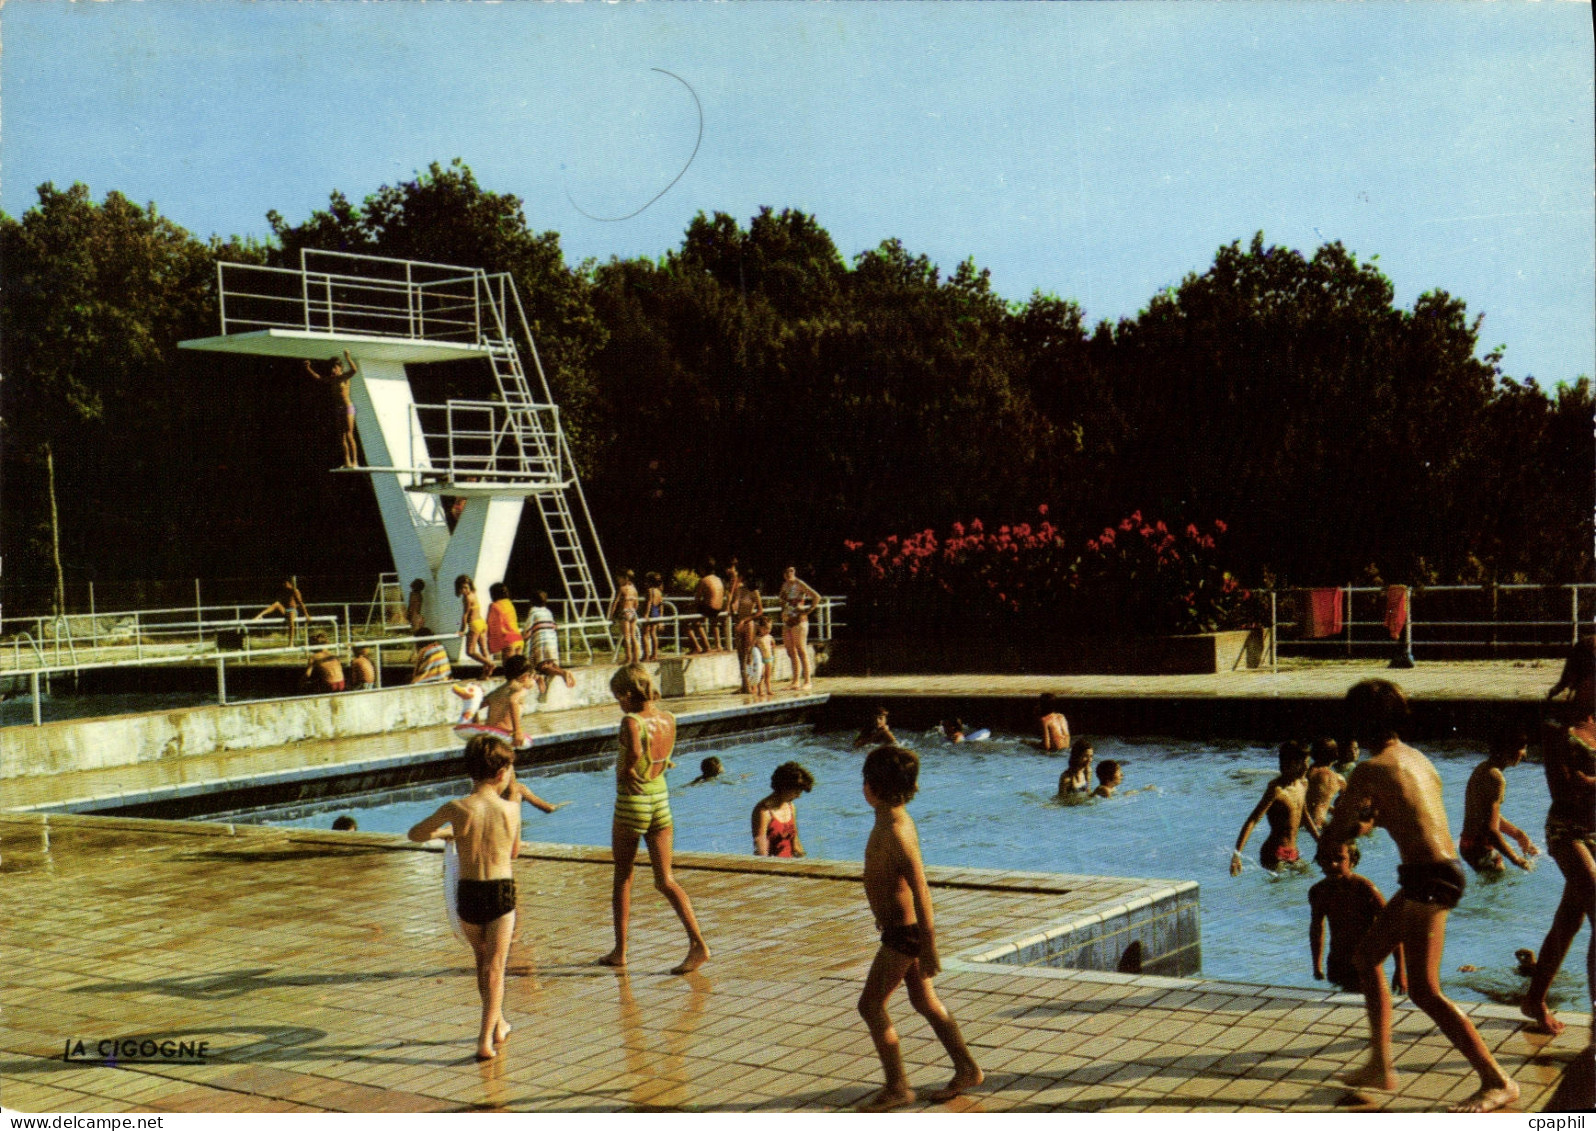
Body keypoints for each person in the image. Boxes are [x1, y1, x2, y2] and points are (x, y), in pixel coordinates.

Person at [1317, 679, 1518, 1113]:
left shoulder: (1368, 770)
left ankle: (1497, 1080)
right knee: (1368, 956)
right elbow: (1407, 818)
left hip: (1431, 878)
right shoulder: (1417, 759)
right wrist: (1365, 823)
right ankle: (1380, 1064)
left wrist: (1335, 829)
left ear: (1362, 723)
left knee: (1426, 990)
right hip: (1431, 873)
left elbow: (1338, 833)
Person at [856, 745, 983, 1111]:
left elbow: (921, 888)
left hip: (905, 935)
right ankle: (967, 1068)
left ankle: (897, 1087)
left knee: (870, 1006)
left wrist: (929, 946)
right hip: (898, 928)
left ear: (872, 786)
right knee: (924, 1000)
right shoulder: (890, 818)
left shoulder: (896, 830)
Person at [407, 734, 521, 1061]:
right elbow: (512, 852)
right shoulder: (511, 810)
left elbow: (415, 834)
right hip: (500, 892)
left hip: (468, 894)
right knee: (496, 967)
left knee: (482, 962)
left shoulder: (456, 809)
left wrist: (448, 832)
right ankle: (485, 1039)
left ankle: (498, 1023)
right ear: (501, 773)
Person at [599, 664, 710, 975]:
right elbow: (660, 755)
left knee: (623, 876)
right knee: (666, 880)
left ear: (624, 694)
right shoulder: (668, 719)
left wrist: (625, 770)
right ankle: (698, 943)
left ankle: (620, 951)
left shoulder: (631, 721)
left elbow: (634, 752)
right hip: (661, 801)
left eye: (617, 698)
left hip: (632, 803)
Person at [1522, 637, 1595, 1036]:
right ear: (1581, 677)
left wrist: (1592, 782)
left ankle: (1534, 998)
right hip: (1568, 832)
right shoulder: (1556, 728)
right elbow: (1562, 792)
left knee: (1569, 920)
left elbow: (1583, 784)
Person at [1310, 840, 1406, 996]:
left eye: (1339, 859)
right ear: (1319, 861)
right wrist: (1317, 965)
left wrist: (1400, 970)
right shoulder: (1318, 892)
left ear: (1352, 861)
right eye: (1326, 859)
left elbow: (1392, 926)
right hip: (1337, 961)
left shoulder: (1365, 889)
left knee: (1365, 997)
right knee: (1345, 1001)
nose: (1332, 864)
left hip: (1364, 959)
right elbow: (1316, 929)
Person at [1458, 728, 1540, 873]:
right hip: (1480, 848)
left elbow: (1485, 816)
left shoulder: (1482, 768)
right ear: (1509, 749)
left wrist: (1517, 834)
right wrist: (1516, 858)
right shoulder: (1496, 779)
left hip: (1467, 844)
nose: (1524, 754)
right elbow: (1491, 831)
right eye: (1522, 748)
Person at [1231, 741, 1320, 875]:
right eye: (1303, 762)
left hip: (1292, 852)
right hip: (1274, 853)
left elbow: (1305, 815)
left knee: (1309, 877)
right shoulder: (1276, 790)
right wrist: (1237, 854)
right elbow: (1253, 820)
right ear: (1290, 763)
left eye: (1308, 761)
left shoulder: (1303, 785)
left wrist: (1320, 842)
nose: (1307, 767)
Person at [305, 349, 360, 468]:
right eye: (331, 368)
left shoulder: (344, 377)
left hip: (347, 408)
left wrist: (348, 357)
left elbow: (354, 370)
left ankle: (355, 461)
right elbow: (318, 378)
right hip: (339, 409)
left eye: (334, 367)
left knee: (349, 434)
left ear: (340, 367)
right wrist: (308, 368)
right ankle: (347, 462)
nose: (332, 370)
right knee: (341, 436)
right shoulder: (332, 379)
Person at [752, 762, 814, 857]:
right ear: (784, 787)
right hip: (772, 866)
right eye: (796, 791)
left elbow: (796, 843)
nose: (799, 796)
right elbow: (761, 852)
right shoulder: (763, 811)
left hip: (790, 864)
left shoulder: (791, 807)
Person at [479, 655, 538, 749]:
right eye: (531, 676)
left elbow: (478, 705)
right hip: (504, 736)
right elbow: (513, 701)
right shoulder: (520, 689)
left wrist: (476, 723)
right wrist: (517, 731)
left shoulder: (498, 691)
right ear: (525, 676)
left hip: (489, 735)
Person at [779, 566, 821, 691]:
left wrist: (808, 610)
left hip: (799, 620)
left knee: (801, 649)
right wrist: (783, 612)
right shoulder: (784, 585)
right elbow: (782, 601)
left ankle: (807, 680)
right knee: (790, 651)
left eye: (791, 571)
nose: (789, 573)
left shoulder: (799, 584)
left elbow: (816, 597)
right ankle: (795, 680)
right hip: (788, 620)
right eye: (787, 571)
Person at [525, 591, 576, 690]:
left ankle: (563, 673)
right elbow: (554, 626)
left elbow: (528, 629)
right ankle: (562, 672)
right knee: (551, 664)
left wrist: (524, 638)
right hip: (551, 641)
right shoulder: (548, 612)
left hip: (542, 643)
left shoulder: (533, 612)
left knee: (542, 667)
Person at [252, 577, 310, 644]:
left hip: (293, 611)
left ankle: (291, 642)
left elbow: (301, 603)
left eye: (285, 583)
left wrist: (307, 615)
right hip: (286, 610)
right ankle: (260, 615)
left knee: (291, 619)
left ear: (289, 583)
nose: (284, 585)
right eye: (283, 583)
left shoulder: (295, 591)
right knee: (276, 603)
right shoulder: (284, 591)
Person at [456, 575, 493, 677]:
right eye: (462, 588)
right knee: (484, 650)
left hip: (475, 625)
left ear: (469, 587)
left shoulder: (467, 598)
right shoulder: (474, 594)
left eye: (466, 587)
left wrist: (462, 629)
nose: (464, 590)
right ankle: (486, 674)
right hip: (482, 623)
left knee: (470, 651)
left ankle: (490, 664)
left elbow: (465, 614)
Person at [1305, 737, 1346, 830]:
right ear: (1336, 755)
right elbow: (1349, 807)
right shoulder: (1339, 779)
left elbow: (1311, 801)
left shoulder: (1305, 774)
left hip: (1302, 823)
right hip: (1320, 824)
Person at [731, 574, 763, 689]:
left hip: (748, 623)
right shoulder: (739, 590)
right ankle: (744, 684)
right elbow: (734, 605)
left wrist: (745, 620)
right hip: (739, 623)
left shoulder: (754, 592)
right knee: (740, 655)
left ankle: (750, 683)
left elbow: (760, 611)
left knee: (748, 654)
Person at [689, 560, 724, 654]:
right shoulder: (718, 579)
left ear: (703, 569)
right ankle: (718, 645)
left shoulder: (704, 580)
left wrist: (693, 608)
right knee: (714, 624)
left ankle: (703, 646)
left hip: (709, 607)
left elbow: (697, 598)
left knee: (691, 623)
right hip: (718, 608)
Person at [609, 570, 641, 665]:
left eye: (619, 579)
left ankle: (628, 658)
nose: (618, 581)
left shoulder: (622, 588)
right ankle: (636, 658)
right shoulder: (634, 589)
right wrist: (632, 610)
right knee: (633, 637)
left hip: (624, 612)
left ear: (625, 578)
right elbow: (636, 603)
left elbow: (615, 602)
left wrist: (611, 615)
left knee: (627, 637)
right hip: (633, 612)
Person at [485, 583, 523, 663]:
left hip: (507, 639)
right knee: (519, 668)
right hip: (517, 637)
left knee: (509, 668)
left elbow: (491, 624)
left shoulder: (494, 606)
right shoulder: (509, 604)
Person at [641, 572, 665, 662]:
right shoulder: (659, 591)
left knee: (645, 635)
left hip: (651, 611)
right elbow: (661, 604)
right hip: (656, 612)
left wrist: (646, 614)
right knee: (653, 634)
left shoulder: (650, 590)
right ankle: (654, 654)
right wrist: (661, 617)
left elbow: (649, 602)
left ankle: (646, 655)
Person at [755, 616, 777, 698]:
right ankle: (760, 690)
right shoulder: (757, 639)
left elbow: (773, 645)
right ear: (760, 628)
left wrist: (773, 651)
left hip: (769, 658)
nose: (768, 630)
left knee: (768, 675)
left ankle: (769, 689)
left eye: (769, 629)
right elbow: (753, 648)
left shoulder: (769, 637)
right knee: (761, 675)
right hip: (761, 659)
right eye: (766, 628)